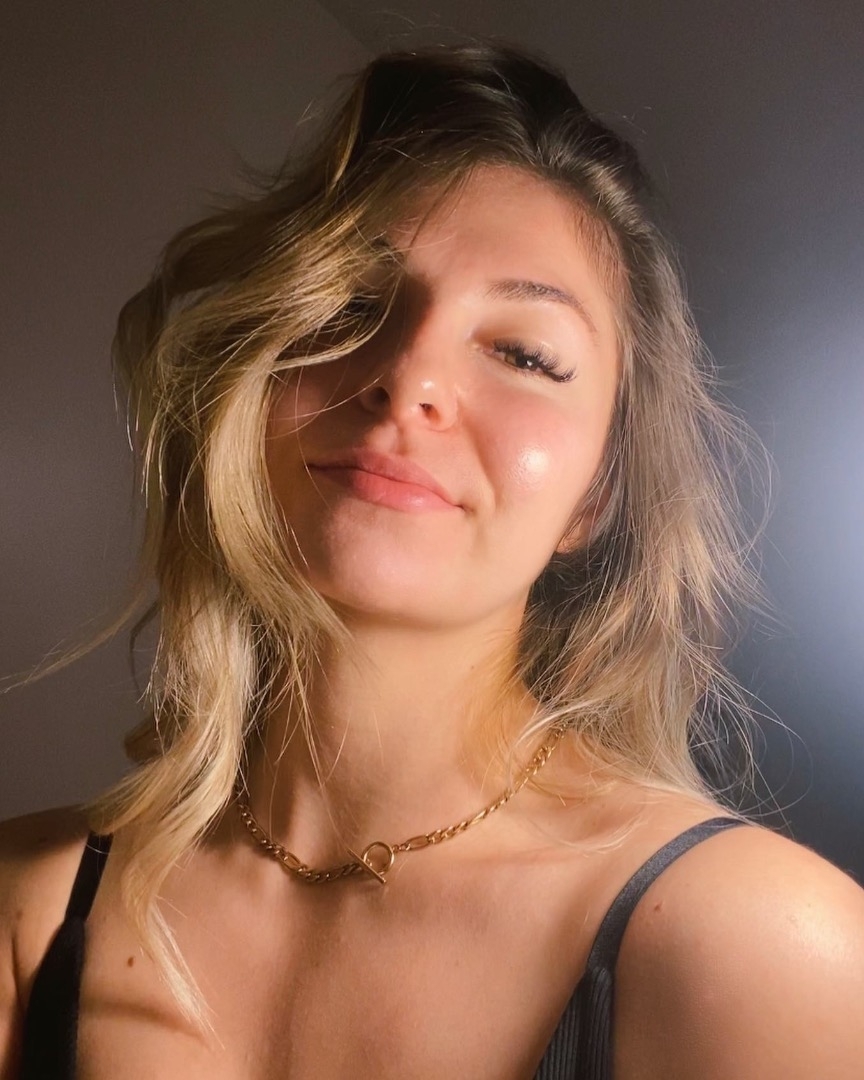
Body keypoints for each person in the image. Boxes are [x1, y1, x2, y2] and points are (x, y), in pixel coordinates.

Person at [1, 40, 863, 1080]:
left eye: (523, 353)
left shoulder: (760, 950)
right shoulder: (27, 915)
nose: (407, 377)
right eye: (352, 305)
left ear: (596, 494)